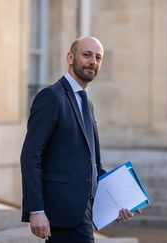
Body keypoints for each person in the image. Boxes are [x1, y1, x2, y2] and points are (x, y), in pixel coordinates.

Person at [20, 36, 137, 243]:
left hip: (85, 212)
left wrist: (118, 202)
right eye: (87, 55)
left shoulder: (87, 103)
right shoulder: (51, 97)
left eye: (98, 57)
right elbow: (31, 156)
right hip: (61, 212)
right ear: (70, 57)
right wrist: (36, 210)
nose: (93, 61)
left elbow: (92, 164)